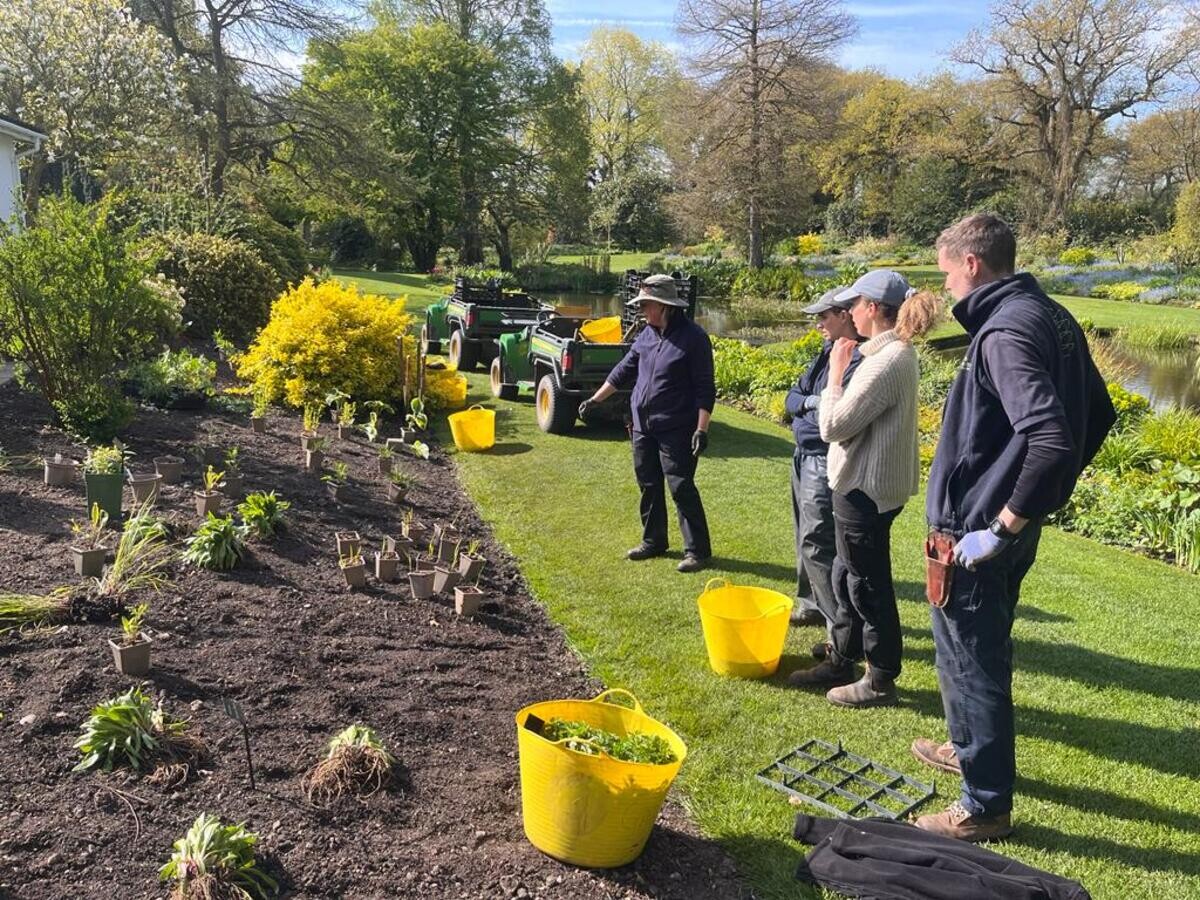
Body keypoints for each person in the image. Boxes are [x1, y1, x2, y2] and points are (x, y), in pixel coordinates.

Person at [912, 214, 1115, 842]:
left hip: (975, 532)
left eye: (946, 273)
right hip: (1002, 527)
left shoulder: (1004, 330)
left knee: (970, 657)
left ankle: (984, 807)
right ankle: (967, 745)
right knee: (980, 647)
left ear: (971, 264)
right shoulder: (1050, 313)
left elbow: (1052, 435)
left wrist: (1003, 521)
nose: (944, 288)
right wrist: (1036, 504)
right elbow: (1098, 416)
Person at [789, 270, 942, 708]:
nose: (847, 312)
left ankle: (880, 678)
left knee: (867, 584)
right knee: (844, 573)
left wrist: (836, 375)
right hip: (862, 485)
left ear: (872, 308)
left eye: (852, 304)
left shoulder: (887, 359)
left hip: (866, 490)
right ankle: (843, 654)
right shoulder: (887, 351)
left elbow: (834, 424)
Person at [579, 274, 715, 573]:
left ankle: (698, 551)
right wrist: (596, 400)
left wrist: (701, 429)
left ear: (665, 305)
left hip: (677, 428)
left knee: (681, 487)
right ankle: (654, 541)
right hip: (643, 425)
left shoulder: (693, 339)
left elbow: (705, 387)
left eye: (646, 305)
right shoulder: (647, 335)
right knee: (648, 484)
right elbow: (623, 370)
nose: (642, 310)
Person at [784, 287, 862, 649]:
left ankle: (839, 633)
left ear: (845, 315)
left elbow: (837, 417)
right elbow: (791, 398)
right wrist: (813, 402)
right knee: (805, 535)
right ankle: (810, 604)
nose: (818, 324)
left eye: (824, 317)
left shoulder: (858, 357)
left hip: (822, 457)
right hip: (803, 455)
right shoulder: (827, 353)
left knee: (818, 542)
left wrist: (811, 408)